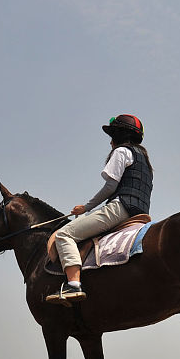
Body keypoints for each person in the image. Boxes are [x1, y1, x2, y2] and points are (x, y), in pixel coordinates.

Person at [47, 114, 153, 304]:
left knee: (64, 235)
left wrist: (86, 207)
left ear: (120, 135)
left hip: (120, 208)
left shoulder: (121, 151)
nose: (111, 141)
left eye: (112, 136)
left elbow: (110, 187)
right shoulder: (144, 160)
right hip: (141, 212)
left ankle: (73, 285)